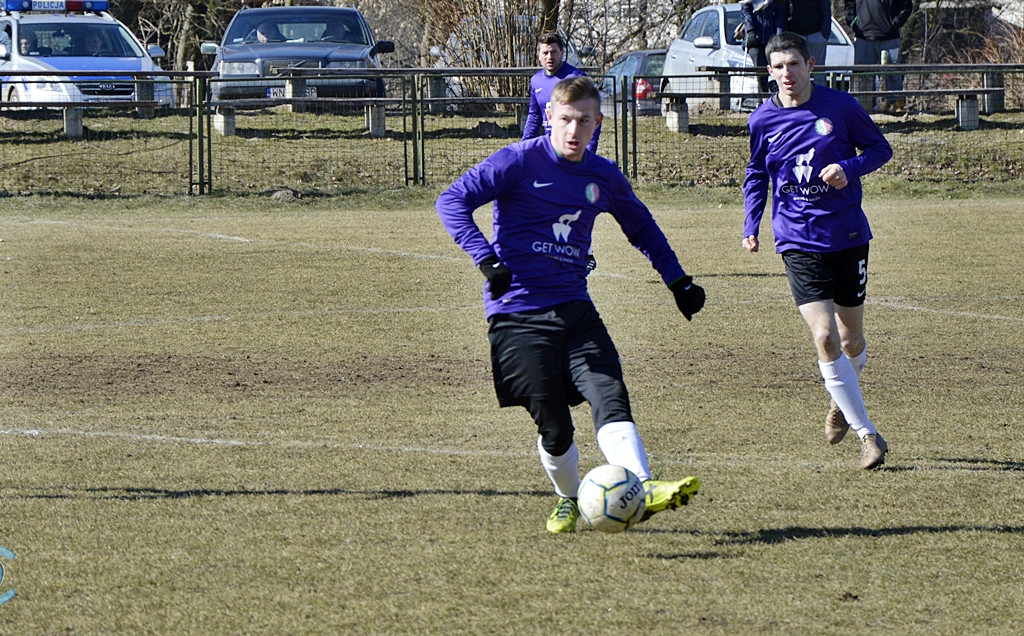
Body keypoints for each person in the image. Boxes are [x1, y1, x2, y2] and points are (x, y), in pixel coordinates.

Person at [437, 76, 706, 533]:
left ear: (598, 122)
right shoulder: (518, 162)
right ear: (549, 118)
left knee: (609, 393)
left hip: (575, 307)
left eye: (583, 120)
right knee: (555, 428)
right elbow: (452, 201)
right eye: (565, 119)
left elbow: (642, 228)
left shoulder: (602, 176)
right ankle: (567, 496)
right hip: (516, 313)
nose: (573, 130)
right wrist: (487, 260)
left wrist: (677, 280)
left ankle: (644, 484)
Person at [741, 32, 893, 470]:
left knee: (851, 339)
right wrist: (751, 224)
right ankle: (868, 434)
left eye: (793, 64)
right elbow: (756, 173)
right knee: (824, 336)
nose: (787, 74)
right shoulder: (762, 120)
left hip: (847, 236)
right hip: (796, 237)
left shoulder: (841, 108)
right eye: (778, 67)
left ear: (810, 64)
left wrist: (848, 168)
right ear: (769, 72)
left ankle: (842, 399)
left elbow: (880, 148)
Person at [521, 32, 600, 153]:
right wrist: (524, 147)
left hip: (573, 146)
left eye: (553, 52)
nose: (549, 57)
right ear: (538, 55)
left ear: (562, 53)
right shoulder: (536, 81)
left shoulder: (576, 78)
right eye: (545, 53)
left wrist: (588, 152)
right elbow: (534, 116)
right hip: (550, 147)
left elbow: (593, 116)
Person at [845, 0, 912, 113]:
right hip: (863, 37)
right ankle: (862, 108)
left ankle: (896, 106)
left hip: (889, 38)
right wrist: (854, 23)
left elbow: (906, 6)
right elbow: (849, 5)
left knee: (892, 74)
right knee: (862, 76)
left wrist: (894, 24)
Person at [736, 0, 786, 95]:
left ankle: (777, 97)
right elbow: (745, 13)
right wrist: (750, 31)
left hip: (770, 39)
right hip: (754, 40)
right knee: (760, 70)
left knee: (776, 68)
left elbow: (780, 17)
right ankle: (763, 98)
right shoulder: (748, 1)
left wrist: (778, 36)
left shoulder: (775, 2)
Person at [784, 0, 831, 65]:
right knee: (795, 70)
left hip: (816, 35)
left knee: (817, 71)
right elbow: (783, 10)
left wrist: (824, 35)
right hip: (794, 36)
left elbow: (825, 10)